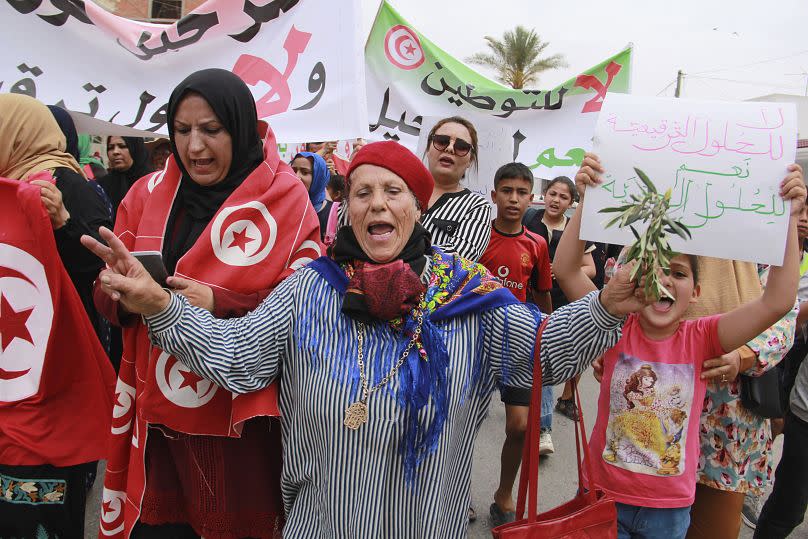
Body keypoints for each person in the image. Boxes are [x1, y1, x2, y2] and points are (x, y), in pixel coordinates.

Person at [83, 140, 658, 539]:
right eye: (362, 193)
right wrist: (161, 306)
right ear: (347, 209)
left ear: (418, 206)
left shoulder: (467, 295)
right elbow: (238, 359)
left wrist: (605, 305)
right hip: (321, 525)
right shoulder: (308, 290)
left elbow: (545, 352)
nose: (377, 203)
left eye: (393, 191)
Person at [90, 69, 322, 539]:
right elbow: (107, 298)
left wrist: (220, 300)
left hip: (236, 426)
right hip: (154, 418)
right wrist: (128, 295)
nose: (194, 146)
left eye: (211, 130)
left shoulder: (288, 200)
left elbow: (307, 304)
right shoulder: (144, 194)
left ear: (239, 127)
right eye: (182, 130)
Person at [555, 154, 803, 539]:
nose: (665, 279)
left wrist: (788, 220)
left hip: (668, 514)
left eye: (679, 273)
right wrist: (587, 201)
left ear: (697, 292)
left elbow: (778, 302)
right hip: (602, 497)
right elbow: (567, 270)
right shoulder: (614, 323)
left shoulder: (700, 338)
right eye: (654, 266)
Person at [0, 95, 115, 539]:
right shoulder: (11, 184)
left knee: (52, 485)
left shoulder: (65, 184)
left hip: (56, 358)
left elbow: (104, 266)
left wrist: (63, 220)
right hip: (20, 362)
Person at [478, 163, 553, 527]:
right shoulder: (476, 238)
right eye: (506, 190)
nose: (514, 198)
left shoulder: (538, 244)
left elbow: (542, 296)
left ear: (530, 198)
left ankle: (503, 492)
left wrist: (547, 339)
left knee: (520, 427)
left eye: (522, 192)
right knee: (460, 425)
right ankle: (454, 493)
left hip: (521, 344)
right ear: (494, 195)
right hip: (476, 344)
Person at [742, 198, 808, 530]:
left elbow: (788, 314)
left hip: (776, 364)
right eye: (802, 210)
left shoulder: (788, 257)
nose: (804, 219)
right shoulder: (767, 254)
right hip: (774, 363)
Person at [524, 176, 597, 431]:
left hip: (565, 300)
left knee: (575, 351)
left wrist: (563, 269)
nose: (556, 200)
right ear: (544, 194)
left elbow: (590, 269)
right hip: (532, 299)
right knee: (535, 354)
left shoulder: (577, 228)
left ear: (571, 202)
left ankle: (567, 399)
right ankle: (529, 408)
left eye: (563, 197)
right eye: (552, 193)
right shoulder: (529, 218)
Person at [46, 104, 114, 355]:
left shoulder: (74, 183)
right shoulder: (23, 179)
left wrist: (63, 222)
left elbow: (102, 253)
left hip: (78, 312)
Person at [421, 116, 491, 262]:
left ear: (470, 161)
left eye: (461, 146)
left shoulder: (477, 206)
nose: (450, 148)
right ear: (428, 149)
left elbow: (456, 260)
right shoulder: (401, 189)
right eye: (441, 141)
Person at [98, 135, 153, 220]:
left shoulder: (152, 183)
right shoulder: (101, 185)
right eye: (110, 147)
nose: (115, 152)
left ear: (135, 148)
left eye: (122, 146)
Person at [291, 150, 332, 235]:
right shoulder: (285, 210)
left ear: (319, 178)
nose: (297, 176)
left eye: (305, 172)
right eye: (293, 171)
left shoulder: (333, 215)